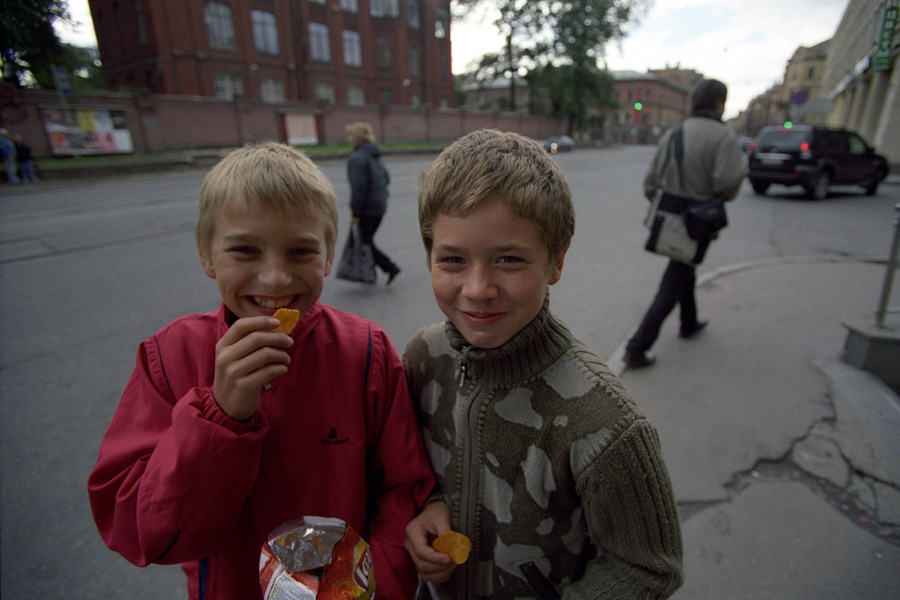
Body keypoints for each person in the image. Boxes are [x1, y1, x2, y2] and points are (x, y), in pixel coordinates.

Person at [87, 142, 435, 600]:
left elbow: (402, 488)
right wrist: (220, 415)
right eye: (246, 250)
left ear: (328, 255)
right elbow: (136, 528)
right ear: (207, 253)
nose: (274, 278)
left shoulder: (365, 353)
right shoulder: (170, 357)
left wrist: (379, 585)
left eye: (300, 252)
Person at [402, 129, 683, 599]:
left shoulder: (606, 426)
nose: (477, 289)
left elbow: (650, 569)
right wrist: (425, 505)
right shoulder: (423, 360)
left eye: (508, 259)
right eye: (452, 259)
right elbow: (407, 469)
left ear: (556, 261)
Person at [624, 79, 747, 368]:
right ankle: (636, 348)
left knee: (684, 269)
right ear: (719, 103)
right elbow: (728, 183)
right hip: (699, 223)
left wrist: (670, 204)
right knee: (672, 283)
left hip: (669, 222)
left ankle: (689, 322)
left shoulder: (674, 133)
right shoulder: (724, 136)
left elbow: (650, 184)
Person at [346, 121, 401, 283]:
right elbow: (386, 178)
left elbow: (358, 188)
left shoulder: (357, 158)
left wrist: (355, 212)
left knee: (365, 241)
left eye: (350, 135)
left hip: (366, 208)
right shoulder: (374, 155)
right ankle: (375, 270)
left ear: (357, 138)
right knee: (366, 240)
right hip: (379, 205)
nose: (348, 139)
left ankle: (390, 267)